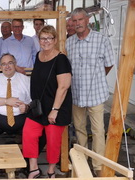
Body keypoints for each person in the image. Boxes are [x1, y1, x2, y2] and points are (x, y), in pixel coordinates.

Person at [65, 8, 114, 176]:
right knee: (79, 129)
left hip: (96, 93)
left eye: (80, 20)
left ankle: (98, 167)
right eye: (74, 20)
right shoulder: (69, 42)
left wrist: (98, 78)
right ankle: (82, 162)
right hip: (77, 94)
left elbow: (109, 64)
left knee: (98, 131)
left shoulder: (101, 40)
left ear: (87, 20)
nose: (77, 23)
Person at [23, 25, 72, 179]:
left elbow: (63, 86)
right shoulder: (38, 55)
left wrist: (55, 109)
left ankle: (51, 170)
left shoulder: (61, 59)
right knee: (28, 134)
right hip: (38, 107)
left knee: (52, 140)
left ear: (55, 40)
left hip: (56, 107)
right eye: (42, 38)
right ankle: (34, 168)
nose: (45, 41)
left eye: (49, 38)